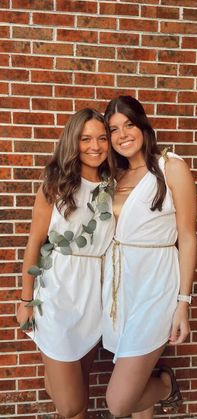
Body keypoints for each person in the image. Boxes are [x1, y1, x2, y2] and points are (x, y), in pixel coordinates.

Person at [102, 96, 197, 418]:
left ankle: (167, 384)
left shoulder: (170, 167)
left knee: (119, 402)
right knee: (137, 380)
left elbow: (187, 236)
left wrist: (183, 302)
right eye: (113, 129)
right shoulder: (113, 177)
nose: (122, 134)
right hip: (118, 290)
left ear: (143, 125)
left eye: (129, 124)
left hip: (156, 289)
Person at [16, 108, 115, 419]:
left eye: (102, 138)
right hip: (57, 293)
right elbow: (34, 242)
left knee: (75, 393)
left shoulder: (113, 186)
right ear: (74, 141)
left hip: (94, 294)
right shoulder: (55, 183)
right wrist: (25, 299)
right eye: (86, 139)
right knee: (72, 405)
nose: (95, 146)